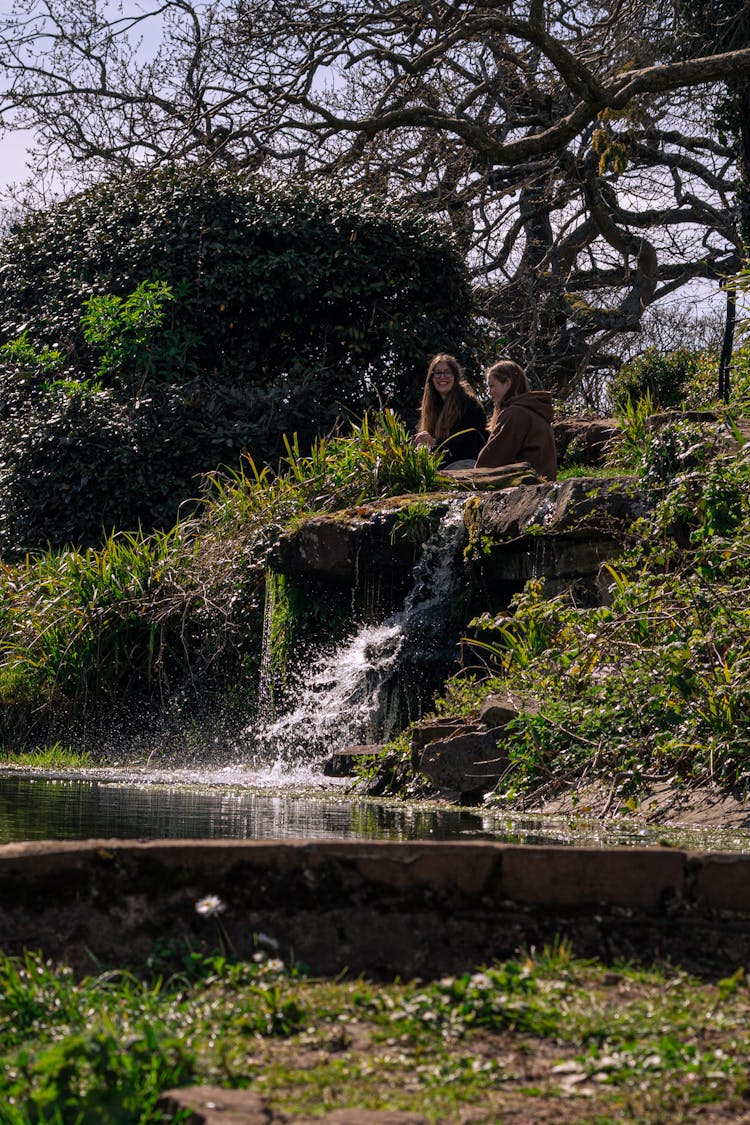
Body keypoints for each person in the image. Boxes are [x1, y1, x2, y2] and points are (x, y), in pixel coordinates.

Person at [475, 359, 557, 480]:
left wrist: (474, 477)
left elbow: (493, 458)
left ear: (507, 383)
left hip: (528, 483)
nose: (489, 392)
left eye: (492, 386)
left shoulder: (515, 414)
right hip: (541, 480)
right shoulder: (531, 409)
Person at [415, 353, 487, 466]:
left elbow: (469, 445)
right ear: (431, 378)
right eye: (438, 373)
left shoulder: (468, 404)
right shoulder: (432, 407)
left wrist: (435, 443)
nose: (442, 377)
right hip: (444, 466)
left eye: (447, 372)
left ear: (455, 376)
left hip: (468, 464)